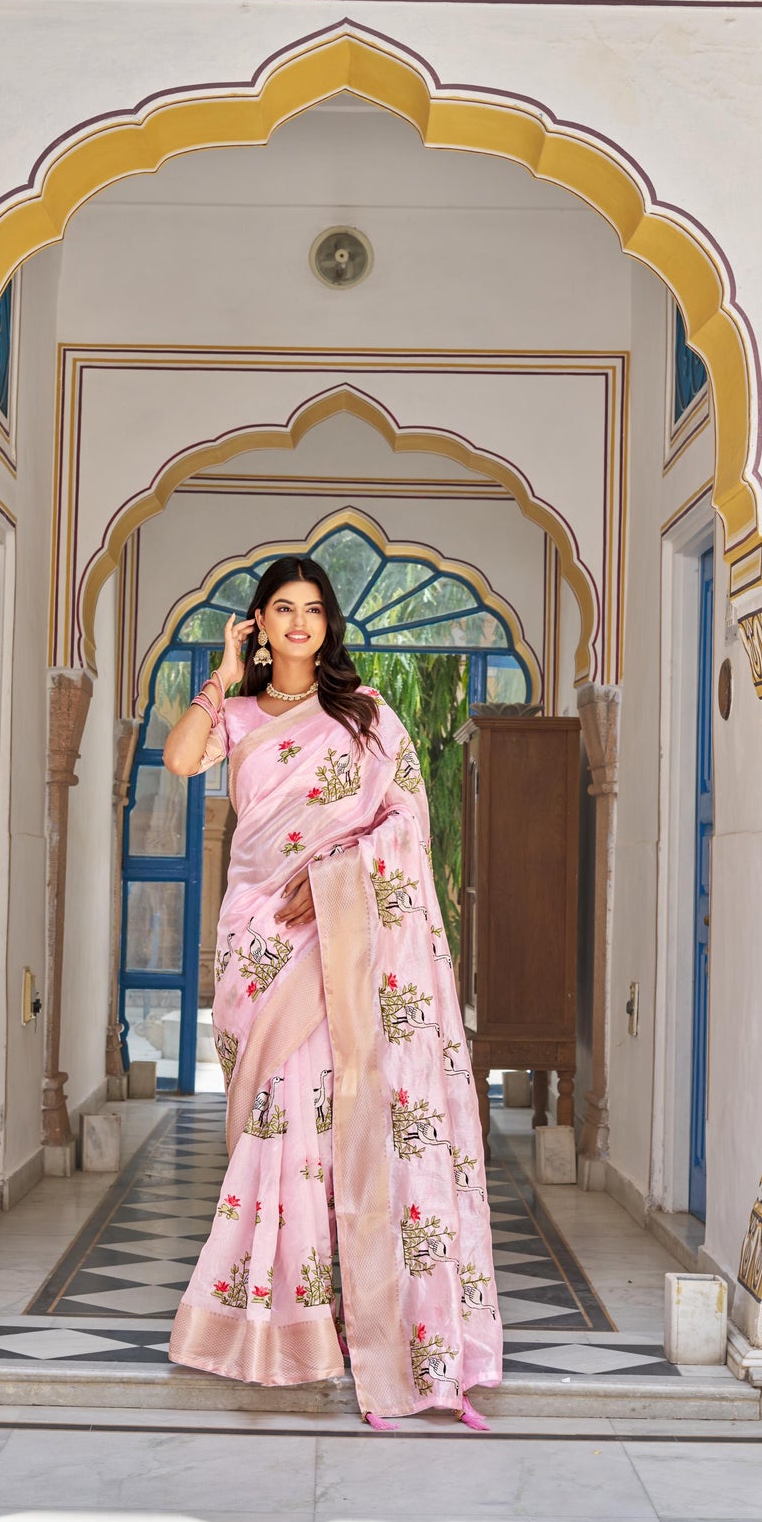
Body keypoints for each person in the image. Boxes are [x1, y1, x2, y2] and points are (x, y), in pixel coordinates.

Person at [163, 555, 501, 1429]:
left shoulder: (366, 716)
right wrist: (221, 678)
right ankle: (287, 1331)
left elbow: (406, 823)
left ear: (329, 623)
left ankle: (393, 1342)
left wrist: (339, 873)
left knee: (344, 1126)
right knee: (284, 1130)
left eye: (314, 609)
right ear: (260, 624)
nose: (301, 624)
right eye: (283, 610)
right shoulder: (235, 714)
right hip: (261, 940)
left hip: (339, 942)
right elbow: (178, 761)